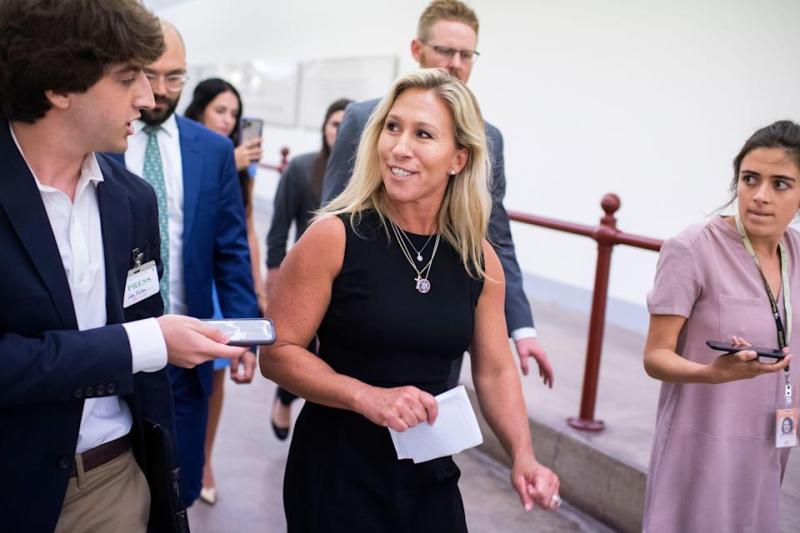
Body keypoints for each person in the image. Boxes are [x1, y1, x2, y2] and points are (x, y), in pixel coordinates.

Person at [260, 68, 560, 532]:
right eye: (392, 128)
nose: (399, 148)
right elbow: (278, 354)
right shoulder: (334, 236)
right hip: (337, 472)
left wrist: (524, 456)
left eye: (423, 134)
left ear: (458, 158)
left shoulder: (479, 259)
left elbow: (496, 367)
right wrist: (366, 397)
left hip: (430, 472)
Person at [0, 1, 249, 531]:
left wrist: (164, 490)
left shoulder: (132, 199)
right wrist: (146, 342)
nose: (149, 95)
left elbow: (146, 340)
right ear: (59, 85)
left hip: (114, 481)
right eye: (128, 77)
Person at [322, 0, 553, 387]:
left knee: (431, 423)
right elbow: (334, 213)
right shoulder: (365, 119)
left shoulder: (488, 138)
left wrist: (522, 328)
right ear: (418, 50)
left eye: (466, 54)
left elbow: (496, 236)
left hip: (442, 316)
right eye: (445, 50)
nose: (456, 63)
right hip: (365, 317)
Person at [108, 21, 260, 508]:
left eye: (175, 77)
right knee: (123, 487)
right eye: (150, 75)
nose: (160, 91)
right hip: (115, 345)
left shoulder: (212, 150)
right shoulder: (104, 140)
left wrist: (247, 335)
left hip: (187, 349)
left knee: (182, 486)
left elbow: (230, 249)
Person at [643, 120, 800, 532]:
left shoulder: (796, 253)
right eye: (750, 179)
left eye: (781, 184)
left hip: (768, 444)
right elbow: (656, 356)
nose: (760, 196)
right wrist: (712, 373)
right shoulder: (693, 248)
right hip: (701, 445)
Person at [183, 77, 264, 504]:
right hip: (189, 274)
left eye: (234, 114)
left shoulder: (240, 162)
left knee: (214, 381)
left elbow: (244, 227)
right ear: (199, 110)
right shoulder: (192, 153)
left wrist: (257, 286)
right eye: (220, 110)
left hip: (222, 282)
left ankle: (205, 458)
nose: (228, 120)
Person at [266, 97, 352, 440]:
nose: (342, 131)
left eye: (349, 125)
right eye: (335, 124)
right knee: (300, 345)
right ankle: (285, 397)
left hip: (346, 281)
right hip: (303, 278)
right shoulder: (301, 169)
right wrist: (271, 278)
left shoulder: (366, 176)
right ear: (324, 129)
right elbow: (278, 228)